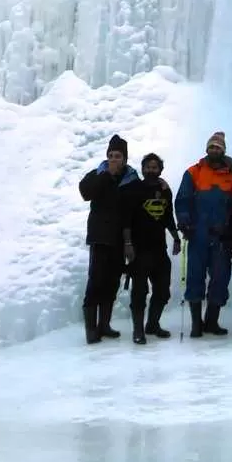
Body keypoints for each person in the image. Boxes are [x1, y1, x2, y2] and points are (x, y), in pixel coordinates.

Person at [174, 132, 232, 337]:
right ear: (206, 149)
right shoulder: (193, 172)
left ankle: (212, 321)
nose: (214, 150)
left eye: (218, 148)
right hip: (198, 233)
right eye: (212, 147)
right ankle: (196, 324)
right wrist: (184, 221)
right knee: (195, 276)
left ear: (223, 150)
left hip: (221, 235)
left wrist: (231, 229)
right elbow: (182, 199)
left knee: (220, 278)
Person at [79, 135, 136, 344]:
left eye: (118, 156)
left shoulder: (132, 180)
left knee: (112, 283)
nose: (113, 159)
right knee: (95, 281)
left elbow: (137, 205)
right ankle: (91, 330)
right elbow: (85, 192)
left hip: (120, 239)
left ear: (125, 158)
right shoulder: (98, 174)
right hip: (100, 238)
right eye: (110, 155)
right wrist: (107, 175)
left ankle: (104, 325)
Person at [123, 152, 181, 343]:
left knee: (163, 290)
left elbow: (167, 216)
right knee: (139, 291)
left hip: (159, 249)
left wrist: (176, 237)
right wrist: (128, 243)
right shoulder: (134, 189)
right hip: (139, 250)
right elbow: (127, 220)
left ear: (160, 170)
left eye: (154, 167)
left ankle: (152, 324)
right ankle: (137, 330)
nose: (151, 170)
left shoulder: (165, 190)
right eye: (148, 167)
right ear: (142, 169)